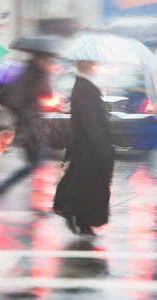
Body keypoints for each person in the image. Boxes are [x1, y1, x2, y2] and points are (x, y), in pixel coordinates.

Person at [51, 60, 115, 236]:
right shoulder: (84, 87)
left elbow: (91, 115)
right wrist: (99, 143)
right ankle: (79, 217)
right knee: (89, 184)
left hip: (86, 145)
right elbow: (89, 120)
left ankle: (78, 217)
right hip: (89, 146)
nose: (95, 66)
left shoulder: (84, 85)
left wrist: (103, 109)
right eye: (92, 64)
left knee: (81, 182)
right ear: (86, 65)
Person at [0, 52, 53, 195]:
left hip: (33, 125)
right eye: (46, 59)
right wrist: (25, 113)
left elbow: (47, 95)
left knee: (36, 162)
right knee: (36, 163)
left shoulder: (37, 75)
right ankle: (2, 188)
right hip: (29, 126)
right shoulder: (29, 77)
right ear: (39, 58)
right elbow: (16, 100)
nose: (48, 62)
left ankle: (2, 188)